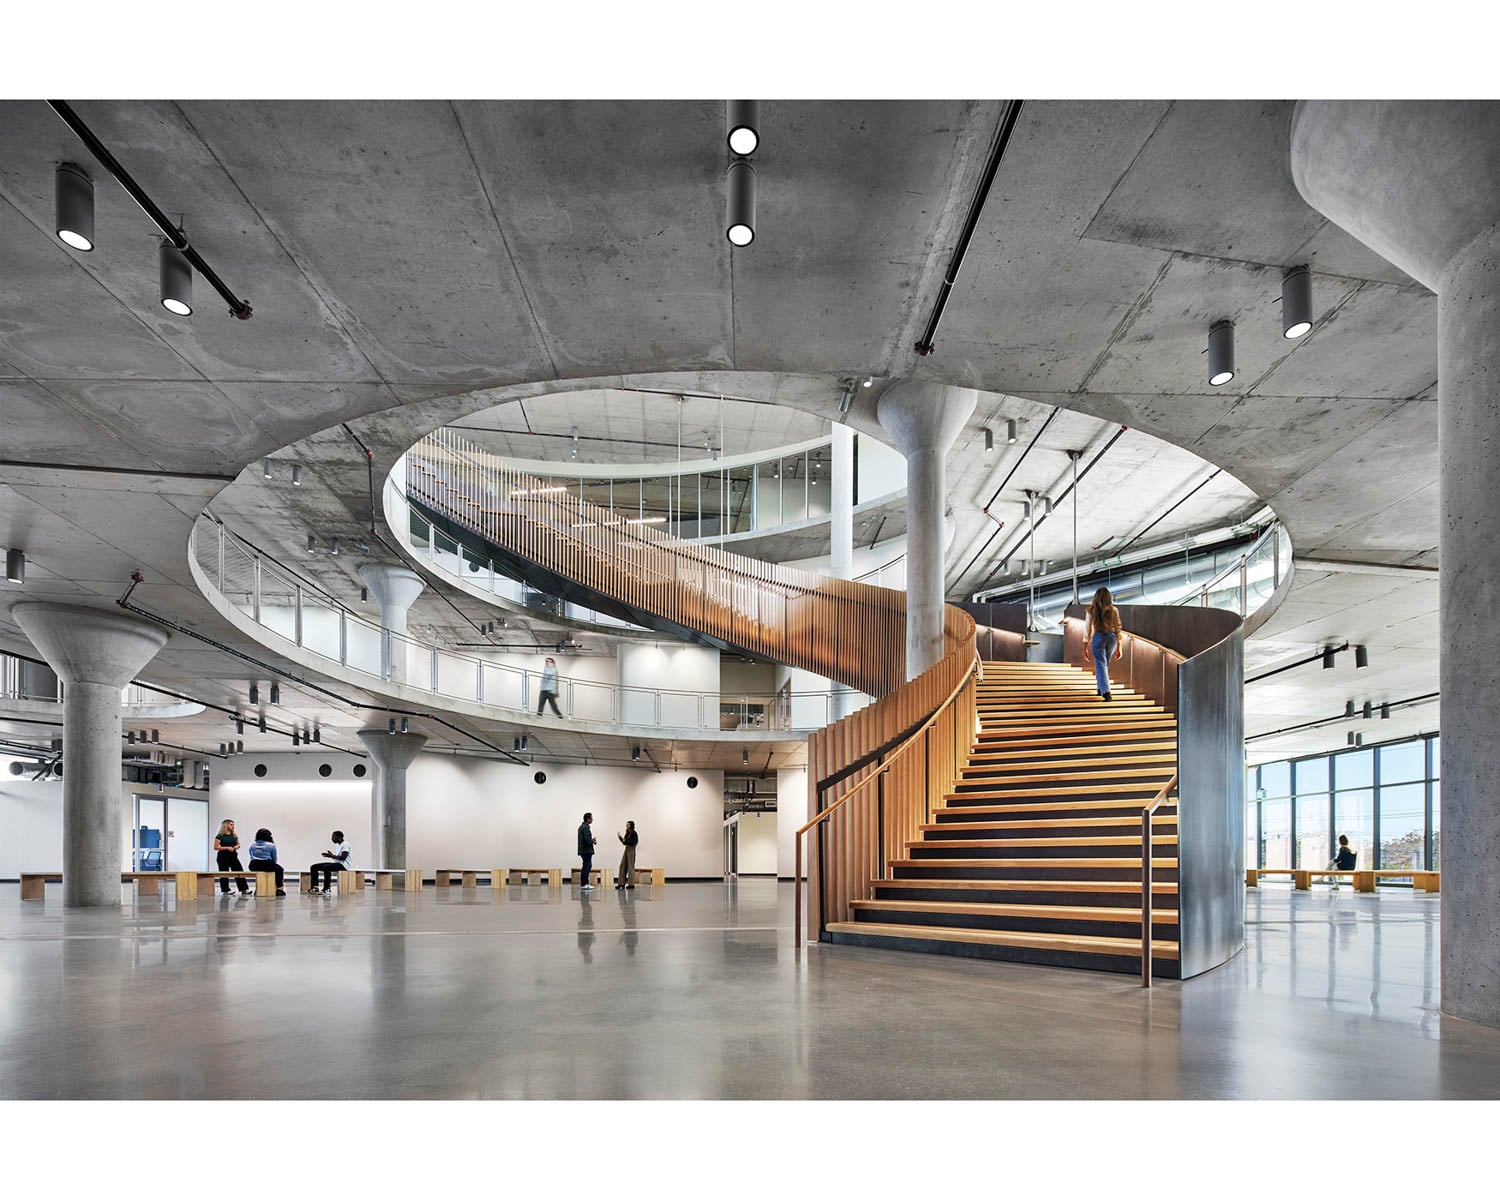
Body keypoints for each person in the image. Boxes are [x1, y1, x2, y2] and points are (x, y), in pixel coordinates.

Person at [1084, 586, 1124, 700]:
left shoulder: (1091, 610)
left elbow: (1087, 630)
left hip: (1099, 637)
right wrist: (1119, 647)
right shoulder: (1114, 610)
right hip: (1112, 638)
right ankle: (1100, 688)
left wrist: (1085, 647)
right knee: (1104, 664)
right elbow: (1118, 628)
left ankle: (1106, 691)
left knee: (1101, 664)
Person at [212, 818, 250, 895]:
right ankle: (225, 890)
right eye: (231, 824)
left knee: (239, 871)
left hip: (233, 855)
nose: (233, 826)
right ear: (226, 825)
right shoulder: (220, 836)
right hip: (223, 856)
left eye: (233, 825)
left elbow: (238, 844)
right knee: (224, 873)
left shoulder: (234, 835)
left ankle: (244, 889)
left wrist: (237, 846)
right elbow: (216, 847)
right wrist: (227, 847)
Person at [245, 827, 287, 896]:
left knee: (261, 872)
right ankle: (279, 888)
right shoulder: (271, 845)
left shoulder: (252, 845)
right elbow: (274, 858)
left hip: (253, 865)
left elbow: (251, 855)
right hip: (267, 864)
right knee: (280, 869)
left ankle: (259, 889)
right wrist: (274, 865)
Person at [615, 820, 639, 889]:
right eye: (626, 825)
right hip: (627, 849)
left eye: (628, 825)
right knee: (622, 865)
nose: (627, 826)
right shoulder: (627, 833)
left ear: (631, 825)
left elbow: (634, 842)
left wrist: (626, 841)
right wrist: (620, 838)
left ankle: (631, 884)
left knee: (630, 867)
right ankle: (621, 884)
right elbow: (624, 842)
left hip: (631, 850)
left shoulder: (634, 833)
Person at [577, 812, 597, 890]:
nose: (592, 819)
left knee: (587, 866)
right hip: (586, 850)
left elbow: (586, 839)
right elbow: (587, 839)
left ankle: (584, 883)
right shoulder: (585, 827)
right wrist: (593, 841)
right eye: (591, 818)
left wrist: (591, 840)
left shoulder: (582, 827)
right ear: (588, 819)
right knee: (587, 866)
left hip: (584, 850)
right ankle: (584, 883)